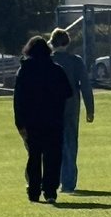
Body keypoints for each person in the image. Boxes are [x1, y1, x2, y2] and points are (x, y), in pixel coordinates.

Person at [14, 36, 73, 204]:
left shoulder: (24, 71)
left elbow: (18, 100)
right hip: (53, 121)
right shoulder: (56, 70)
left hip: (32, 122)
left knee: (34, 157)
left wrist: (20, 123)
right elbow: (68, 93)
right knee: (52, 157)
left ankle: (33, 191)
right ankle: (50, 190)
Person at [48, 28, 95, 193]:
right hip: (70, 106)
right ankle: (68, 183)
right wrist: (90, 109)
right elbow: (86, 86)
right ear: (67, 43)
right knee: (70, 143)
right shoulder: (75, 61)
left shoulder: (46, 61)